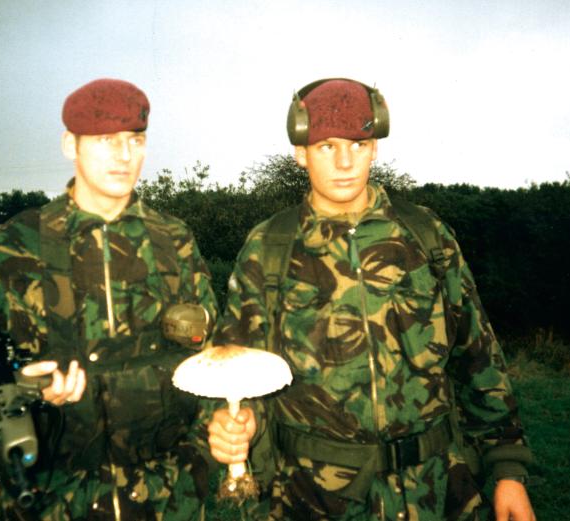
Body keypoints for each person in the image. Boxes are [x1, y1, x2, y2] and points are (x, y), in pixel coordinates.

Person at [206, 78, 535, 521]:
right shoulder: (269, 247)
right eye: (327, 147)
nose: (345, 161)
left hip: (437, 491)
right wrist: (231, 425)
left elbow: (477, 357)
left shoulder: (426, 236)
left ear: (375, 148)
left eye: (359, 145)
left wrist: (508, 469)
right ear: (301, 153)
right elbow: (234, 369)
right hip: (314, 496)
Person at [0, 78, 218, 520]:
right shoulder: (16, 246)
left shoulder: (175, 241)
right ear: (69, 145)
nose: (124, 155)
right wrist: (17, 380)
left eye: (136, 139)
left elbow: (209, 358)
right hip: (53, 500)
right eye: (105, 140)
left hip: (166, 498)